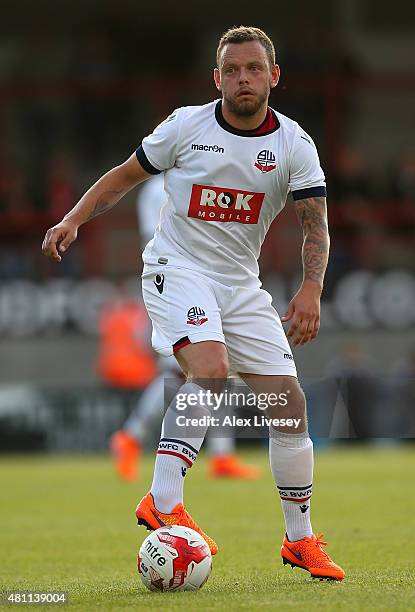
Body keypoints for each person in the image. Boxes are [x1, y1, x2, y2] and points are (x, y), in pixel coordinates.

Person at [42, 26, 345, 581]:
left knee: (290, 405)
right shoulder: (187, 126)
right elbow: (123, 177)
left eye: (254, 69)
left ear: (274, 76)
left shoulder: (294, 145)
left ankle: (299, 540)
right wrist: (73, 219)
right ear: (217, 77)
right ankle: (163, 500)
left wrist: (310, 287)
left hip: (240, 284)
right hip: (176, 269)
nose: (243, 79)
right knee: (210, 370)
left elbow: (315, 228)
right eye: (232, 70)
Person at [110, 173, 262, 481]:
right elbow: (156, 239)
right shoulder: (159, 189)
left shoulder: (188, 179)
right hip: (177, 284)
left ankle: (220, 454)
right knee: (186, 370)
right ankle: (132, 436)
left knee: (214, 366)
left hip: (203, 283)